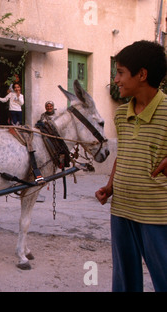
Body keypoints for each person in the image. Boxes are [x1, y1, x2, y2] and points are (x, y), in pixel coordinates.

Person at [95, 40, 167, 292]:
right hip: (122, 209)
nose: (116, 80)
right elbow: (123, 154)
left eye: (121, 72)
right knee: (124, 279)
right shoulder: (121, 114)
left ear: (142, 75)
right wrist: (110, 186)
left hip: (156, 213)